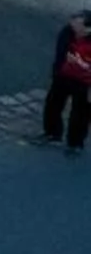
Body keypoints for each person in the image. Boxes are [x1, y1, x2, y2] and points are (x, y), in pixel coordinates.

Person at [46, 9, 91, 156]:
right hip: (64, 75)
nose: (72, 25)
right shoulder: (67, 32)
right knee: (53, 103)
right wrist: (57, 71)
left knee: (80, 114)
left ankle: (75, 143)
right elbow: (60, 53)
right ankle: (52, 133)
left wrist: (81, 64)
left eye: (77, 24)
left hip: (85, 82)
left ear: (87, 29)